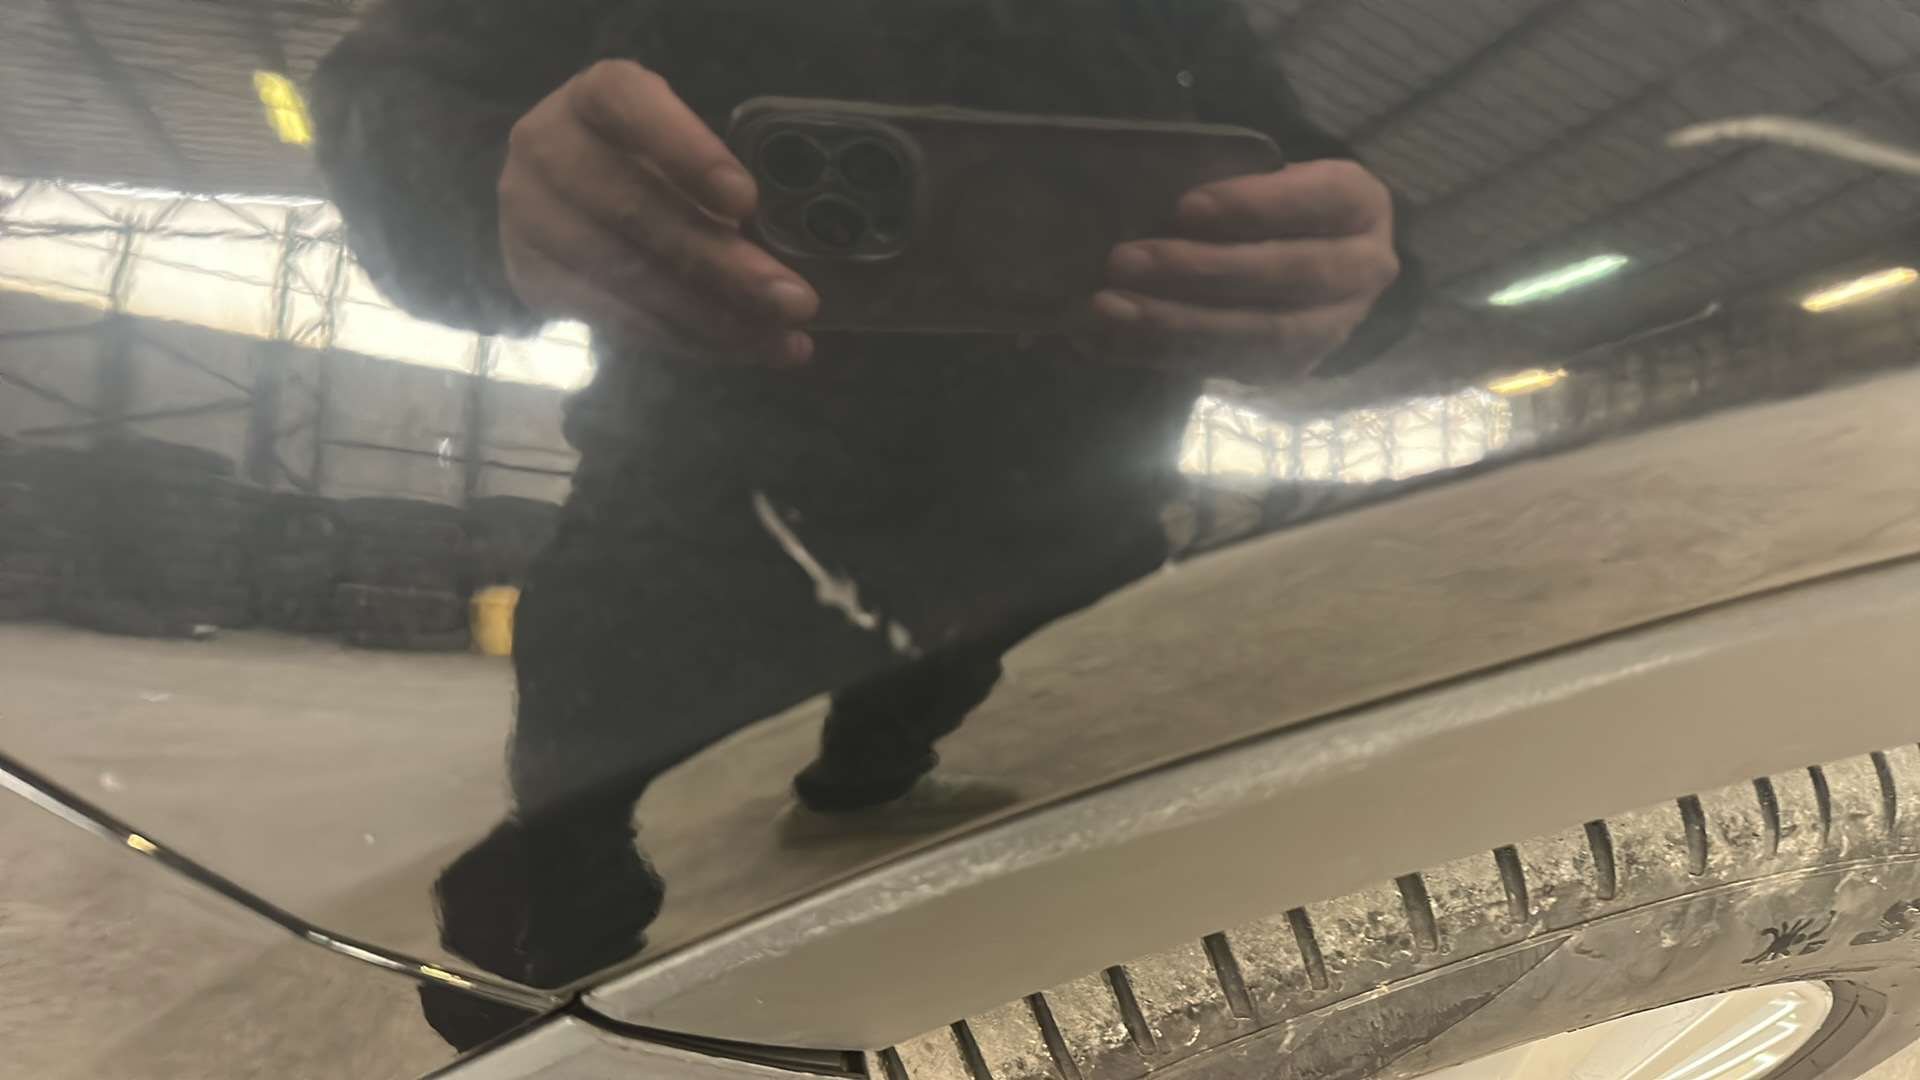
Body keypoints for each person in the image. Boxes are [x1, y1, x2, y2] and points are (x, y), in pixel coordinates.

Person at [311, 0, 1419, 1045]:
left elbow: (1299, 168)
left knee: (944, 748)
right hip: (713, 484)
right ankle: (538, 983)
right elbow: (402, 86)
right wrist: (486, 186)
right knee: (578, 812)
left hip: (1054, 517)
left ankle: (861, 779)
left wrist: (1362, 267)